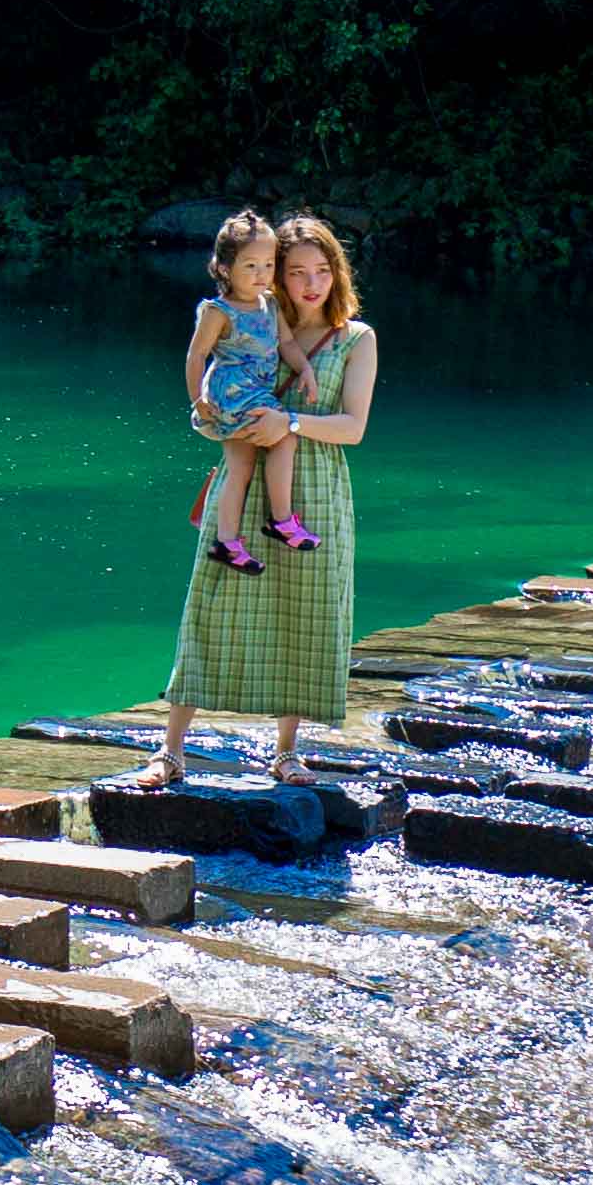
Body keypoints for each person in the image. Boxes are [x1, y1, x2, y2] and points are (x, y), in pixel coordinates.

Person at [155, 213, 376, 784]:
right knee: (211, 606)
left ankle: (286, 752)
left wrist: (290, 423)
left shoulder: (356, 338)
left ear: (337, 273)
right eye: (295, 270)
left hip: (316, 491)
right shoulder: (249, 321)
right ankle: (171, 750)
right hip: (244, 482)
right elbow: (206, 381)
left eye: (322, 270)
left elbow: (353, 427)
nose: (310, 283)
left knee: (305, 616)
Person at [182, 212, 309, 572]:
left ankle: (226, 542)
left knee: (241, 468)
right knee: (284, 438)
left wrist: (307, 370)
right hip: (233, 396)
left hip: (255, 395)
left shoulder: (270, 304)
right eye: (250, 265)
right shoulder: (219, 311)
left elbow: (286, 342)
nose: (261, 274)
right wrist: (197, 398)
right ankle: (281, 520)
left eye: (268, 265)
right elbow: (197, 356)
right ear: (224, 268)